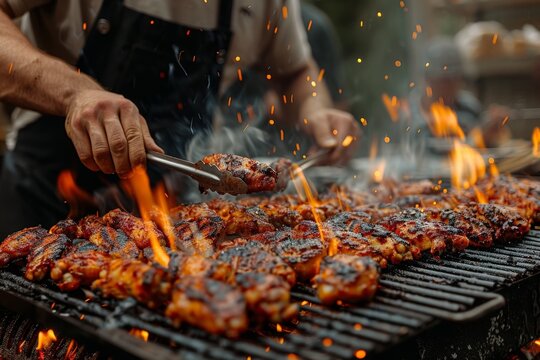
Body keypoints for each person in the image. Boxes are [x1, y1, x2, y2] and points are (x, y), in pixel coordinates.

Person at [0, 0, 360, 238]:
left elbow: (295, 71)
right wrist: (75, 93)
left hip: (175, 217)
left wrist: (315, 110)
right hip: (47, 203)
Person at [409, 37, 510, 152]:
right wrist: (477, 139)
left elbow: (487, 149)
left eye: (456, 78)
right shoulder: (410, 113)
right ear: (428, 79)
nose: (451, 86)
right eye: (444, 80)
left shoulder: (469, 108)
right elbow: (429, 156)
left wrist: (492, 129)